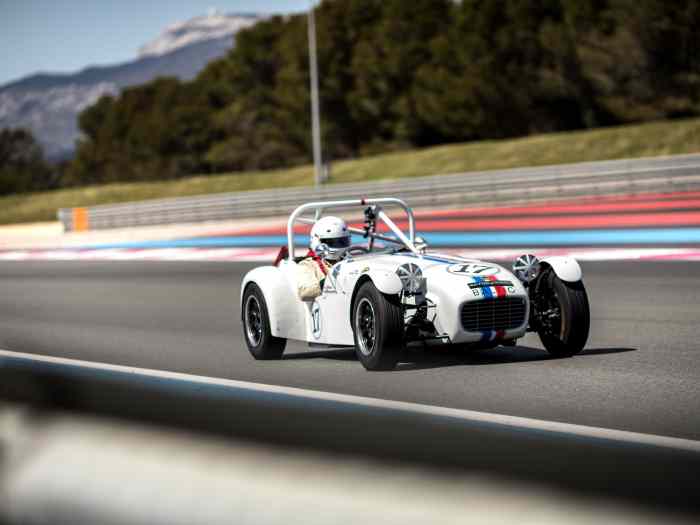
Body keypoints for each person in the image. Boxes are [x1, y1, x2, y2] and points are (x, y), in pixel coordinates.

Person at [297, 216, 350, 300]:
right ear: (316, 241)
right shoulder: (307, 265)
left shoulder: (349, 260)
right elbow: (304, 292)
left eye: (341, 241)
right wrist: (330, 281)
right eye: (331, 242)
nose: (337, 246)